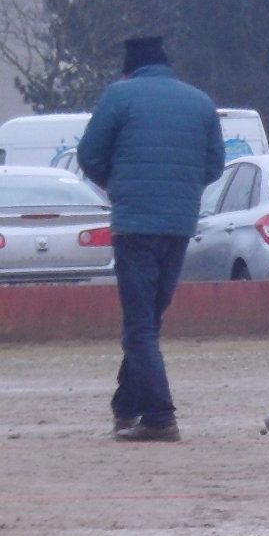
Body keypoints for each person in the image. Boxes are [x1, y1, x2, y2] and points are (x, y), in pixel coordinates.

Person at [76, 35, 226, 443]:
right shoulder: (200, 101)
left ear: (129, 69)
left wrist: (118, 184)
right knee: (149, 322)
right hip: (178, 224)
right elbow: (215, 165)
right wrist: (181, 191)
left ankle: (160, 416)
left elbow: (88, 155)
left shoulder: (119, 96)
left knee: (139, 327)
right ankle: (126, 409)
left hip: (136, 224)